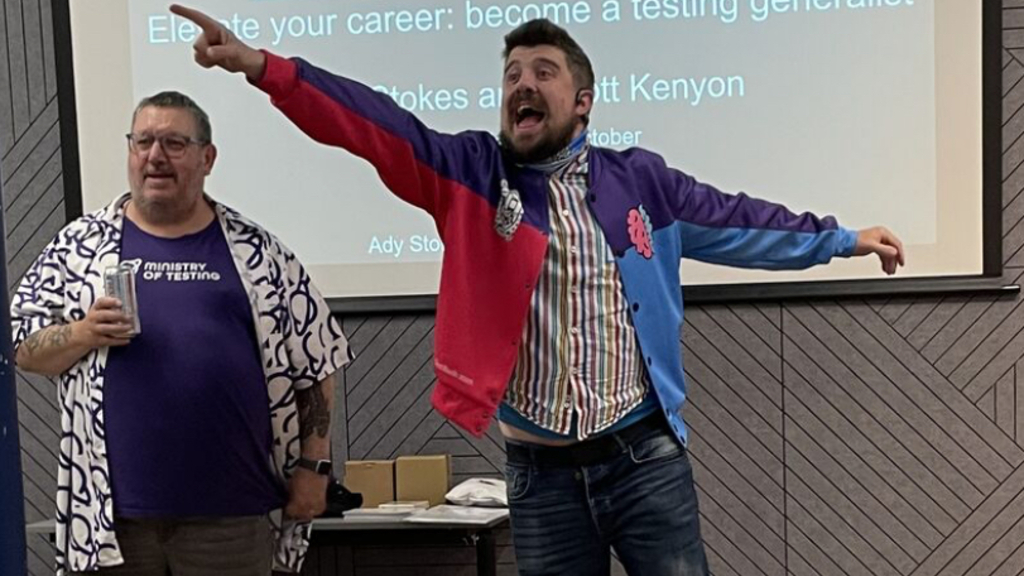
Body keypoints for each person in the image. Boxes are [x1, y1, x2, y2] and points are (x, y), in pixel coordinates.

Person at [170, 6, 905, 575]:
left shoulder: (640, 180)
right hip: (541, 477)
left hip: (646, 460)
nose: (523, 82)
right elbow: (375, 127)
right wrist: (265, 67)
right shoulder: (470, 175)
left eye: (543, 71)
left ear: (582, 101)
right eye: (512, 73)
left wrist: (843, 238)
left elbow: (744, 223)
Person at [11, 90, 350, 576]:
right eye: (143, 141)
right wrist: (82, 333)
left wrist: (314, 469)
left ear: (207, 157)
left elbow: (316, 364)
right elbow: (23, 349)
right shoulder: (78, 247)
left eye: (174, 143)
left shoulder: (258, 252)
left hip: (232, 517)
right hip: (113, 524)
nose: (155, 156)